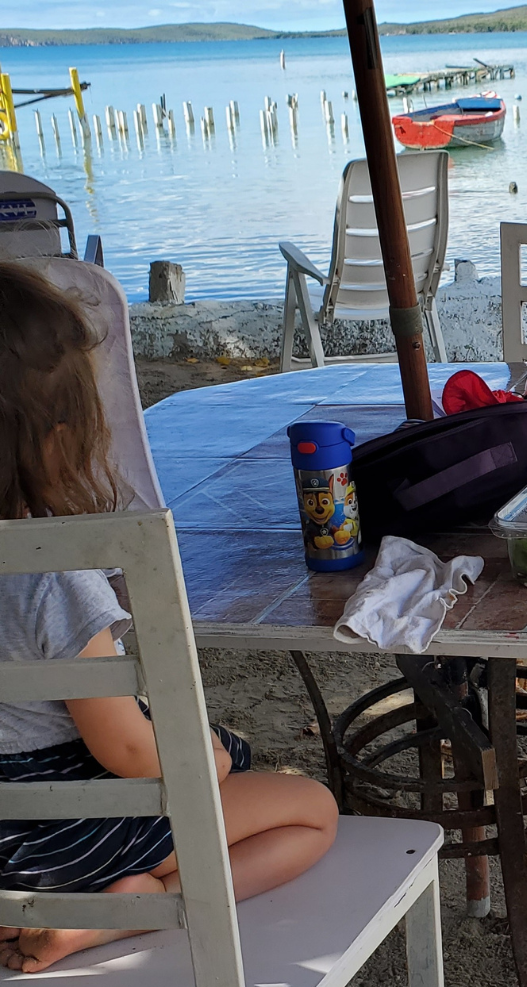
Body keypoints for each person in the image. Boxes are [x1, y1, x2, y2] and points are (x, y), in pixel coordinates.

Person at [0, 264, 339, 973]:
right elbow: (125, 751)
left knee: (226, 757)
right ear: (57, 438)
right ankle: (122, 913)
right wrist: (204, 762)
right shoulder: (50, 575)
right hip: (59, 839)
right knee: (311, 809)